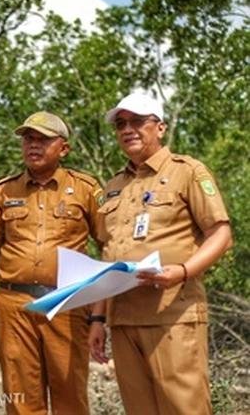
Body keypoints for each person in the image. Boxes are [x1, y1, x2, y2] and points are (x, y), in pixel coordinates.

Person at [88, 93, 233, 415]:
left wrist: (181, 271)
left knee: (184, 409)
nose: (128, 129)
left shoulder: (188, 171)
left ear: (161, 127)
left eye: (138, 121)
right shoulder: (114, 186)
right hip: (123, 320)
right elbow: (107, 254)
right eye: (121, 124)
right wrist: (97, 318)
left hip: (173, 316)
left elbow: (221, 235)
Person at [0, 111, 102, 415]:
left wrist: (99, 315)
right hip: (14, 305)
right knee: (20, 399)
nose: (33, 144)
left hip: (66, 304)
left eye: (43, 139)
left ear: (63, 148)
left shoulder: (85, 189)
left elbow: (109, 246)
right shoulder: (5, 191)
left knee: (70, 397)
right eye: (28, 138)